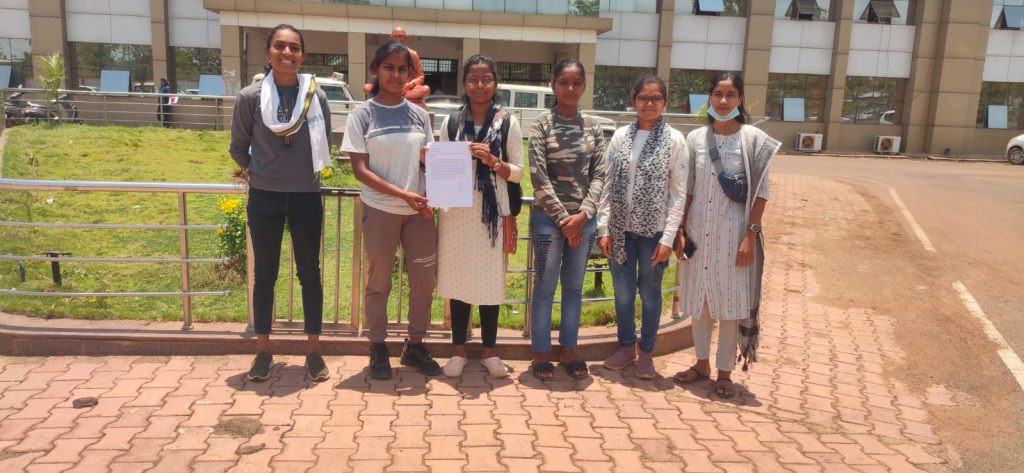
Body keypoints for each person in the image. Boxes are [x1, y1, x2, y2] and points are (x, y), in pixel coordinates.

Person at [228, 24, 333, 383]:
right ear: (268, 52)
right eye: (279, 46)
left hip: (306, 196)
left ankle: (314, 352)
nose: (287, 53)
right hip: (265, 197)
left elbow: (324, 142)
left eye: (294, 48)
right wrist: (261, 173)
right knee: (265, 275)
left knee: (310, 275)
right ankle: (262, 351)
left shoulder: (315, 96)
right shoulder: (250, 97)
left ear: (302, 54)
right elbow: (237, 147)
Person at [672, 71, 780, 398]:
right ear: (708, 98)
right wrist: (680, 230)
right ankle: (701, 363)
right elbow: (688, 189)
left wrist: (750, 236)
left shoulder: (753, 140)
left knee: (730, 304)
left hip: (734, 237)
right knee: (700, 302)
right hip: (698, 233)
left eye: (730, 94)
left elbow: (761, 193)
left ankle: (724, 372)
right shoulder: (695, 139)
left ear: (740, 99)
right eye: (718, 94)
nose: (723, 101)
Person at [342, 40, 441, 380]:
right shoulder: (362, 115)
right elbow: (360, 170)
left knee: (424, 281)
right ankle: (377, 346)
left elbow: (428, 161)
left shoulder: (419, 115)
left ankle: (415, 345)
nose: (396, 75)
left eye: (402, 70)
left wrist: (430, 194)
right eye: (389, 68)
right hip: (381, 208)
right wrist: (402, 194)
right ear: (375, 70)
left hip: (418, 212)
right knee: (379, 282)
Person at [436, 54, 524, 379]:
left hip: (492, 215)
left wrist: (493, 162)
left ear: (495, 83)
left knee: (489, 281)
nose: (479, 85)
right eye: (473, 79)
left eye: (486, 78)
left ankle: (490, 351)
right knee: (459, 280)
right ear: (464, 84)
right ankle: (457, 350)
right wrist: (435, 159)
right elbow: (441, 168)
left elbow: (519, 172)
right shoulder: (450, 123)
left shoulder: (508, 122)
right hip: (457, 212)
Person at [597, 75, 688, 379]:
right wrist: (604, 228)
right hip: (620, 229)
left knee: (650, 293)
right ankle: (626, 346)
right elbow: (607, 183)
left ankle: (646, 351)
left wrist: (669, 237)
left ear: (665, 102)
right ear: (633, 101)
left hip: (654, 233)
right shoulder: (621, 136)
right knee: (623, 293)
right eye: (643, 98)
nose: (649, 104)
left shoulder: (674, 140)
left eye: (656, 98)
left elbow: (678, 193)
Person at [528, 59, 607, 381]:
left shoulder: (593, 127)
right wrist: (565, 220)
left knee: (574, 288)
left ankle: (569, 350)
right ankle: (541, 352)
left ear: (584, 86)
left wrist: (583, 215)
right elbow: (538, 176)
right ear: (553, 85)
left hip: (584, 221)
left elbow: (600, 174)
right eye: (563, 82)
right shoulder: (541, 125)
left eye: (576, 83)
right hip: (549, 221)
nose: (570, 88)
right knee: (545, 287)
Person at [361, 27, 430, 109]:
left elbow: (420, 77)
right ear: (391, 37)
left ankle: (393, 96)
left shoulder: (413, 54)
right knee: (367, 87)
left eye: (402, 69)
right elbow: (377, 76)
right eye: (389, 67)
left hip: (407, 90)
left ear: (406, 38)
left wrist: (408, 85)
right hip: (387, 88)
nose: (398, 39)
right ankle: (392, 95)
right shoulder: (385, 53)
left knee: (425, 89)